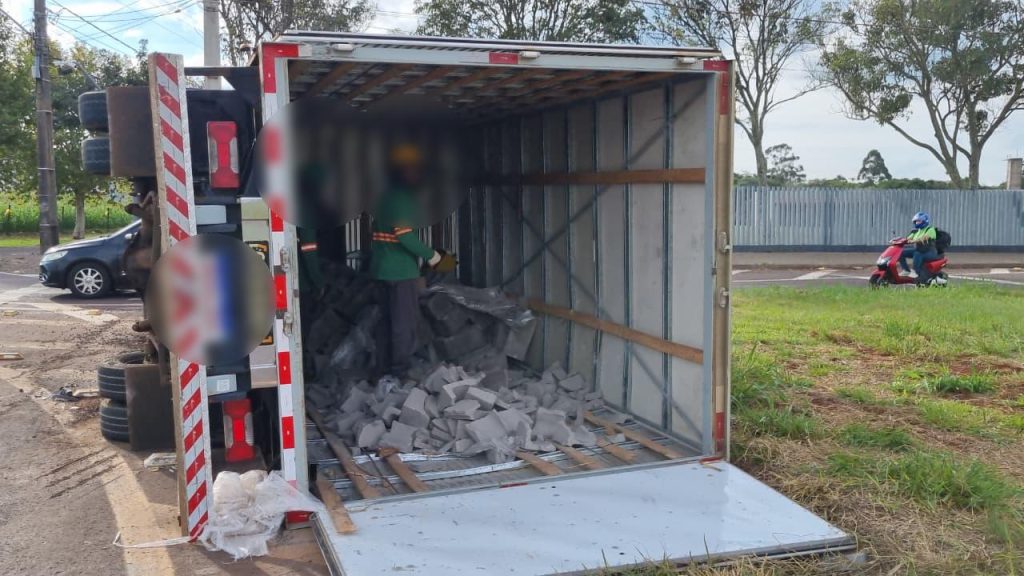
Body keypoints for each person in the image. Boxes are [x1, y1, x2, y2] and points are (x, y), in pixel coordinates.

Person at [371, 143, 456, 375]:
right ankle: (400, 373)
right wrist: (434, 257)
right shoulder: (402, 198)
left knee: (386, 323)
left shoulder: (384, 197)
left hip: (381, 271)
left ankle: (382, 370)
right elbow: (405, 236)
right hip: (400, 273)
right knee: (404, 325)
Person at [897, 211, 939, 285]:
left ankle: (915, 272)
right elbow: (907, 239)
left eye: (918, 221)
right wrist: (898, 241)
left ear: (924, 221)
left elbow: (924, 238)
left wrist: (913, 241)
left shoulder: (930, 230)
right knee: (900, 252)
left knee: (917, 253)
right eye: (915, 221)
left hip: (930, 252)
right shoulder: (916, 231)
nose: (916, 223)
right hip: (920, 250)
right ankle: (906, 270)